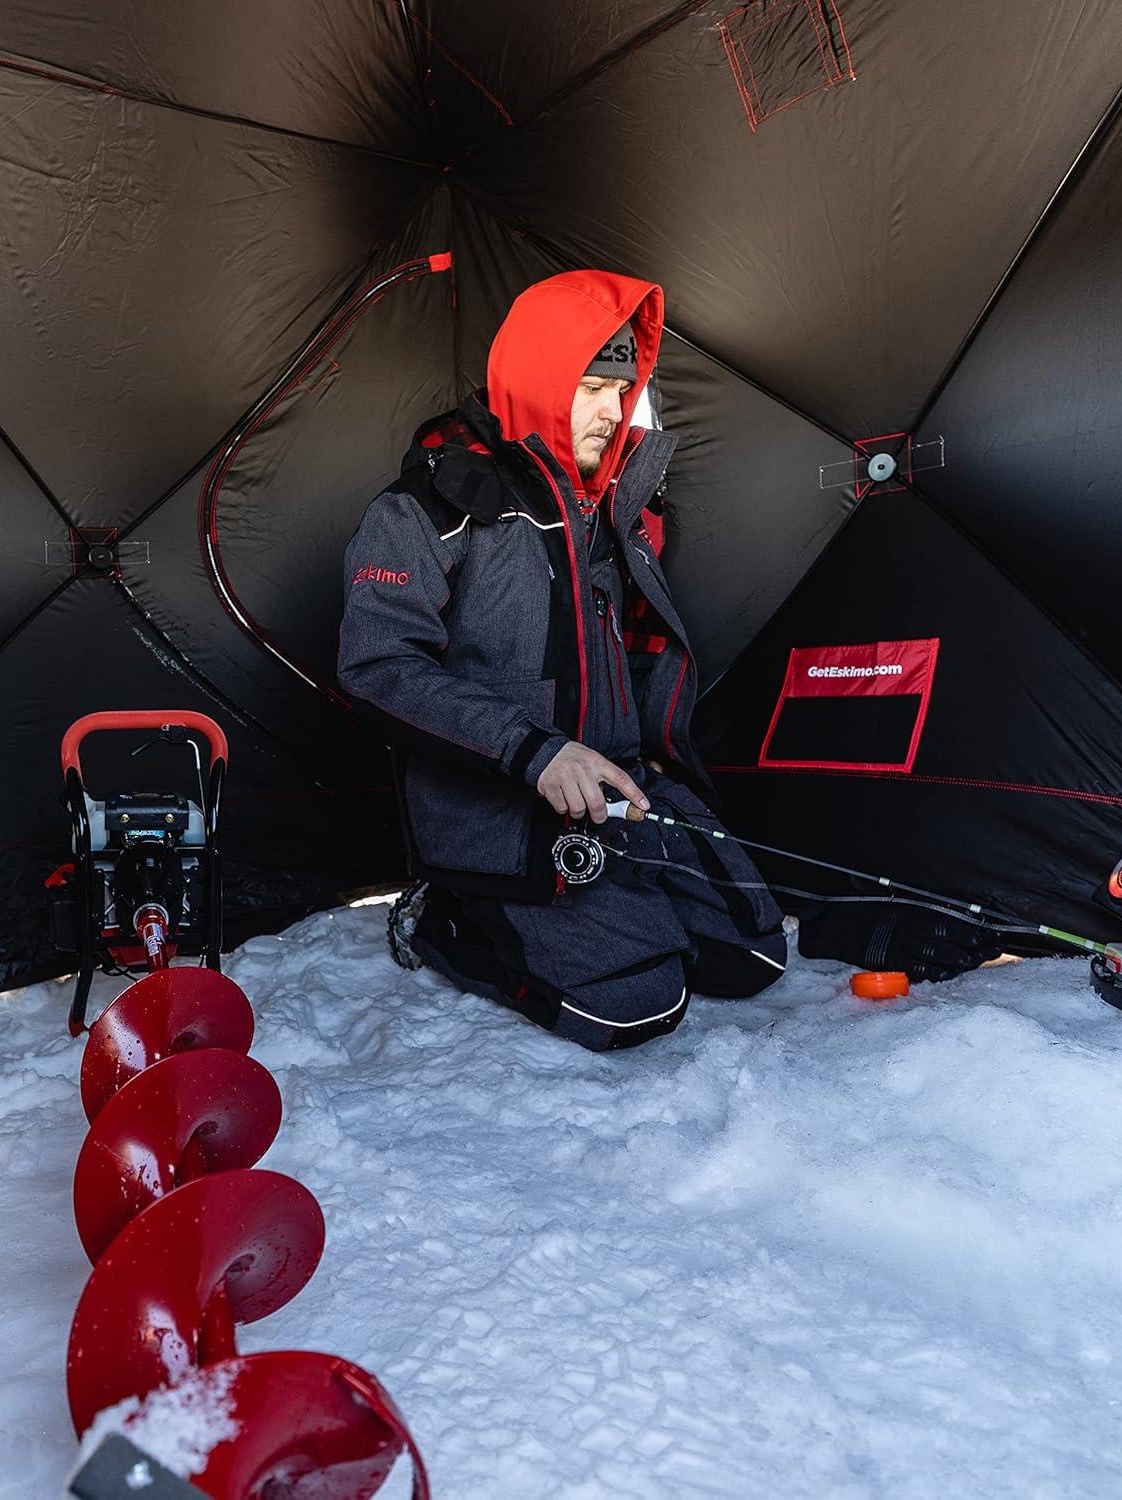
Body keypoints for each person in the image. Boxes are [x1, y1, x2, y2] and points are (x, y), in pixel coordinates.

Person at [337, 270, 787, 1049]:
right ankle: (445, 915)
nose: (612, 413)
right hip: (502, 797)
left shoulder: (613, 504)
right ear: (540, 379)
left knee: (753, 955)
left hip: (619, 787)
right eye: (590, 388)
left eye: (623, 388)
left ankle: (627, 904)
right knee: (635, 1005)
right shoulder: (427, 508)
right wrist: (528, 750)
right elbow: (376, 668)